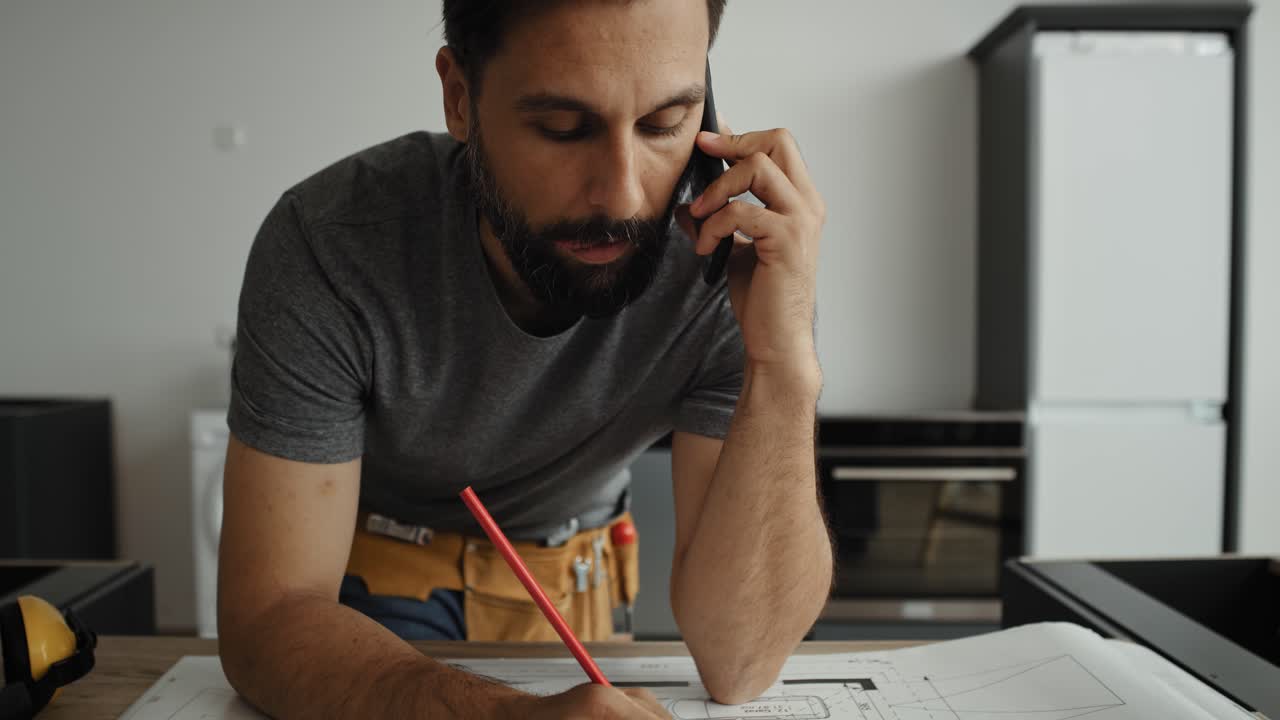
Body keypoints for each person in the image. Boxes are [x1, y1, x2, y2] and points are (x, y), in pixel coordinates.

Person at [216, 0, 833, 717]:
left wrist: (783, 365)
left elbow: (742, 661)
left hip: (582, 588)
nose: (624, 196)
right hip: (366, 626)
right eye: (563, 129)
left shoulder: (732, 262)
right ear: (460, 97)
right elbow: (269, 617)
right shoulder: (331, 244)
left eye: (664, 125)